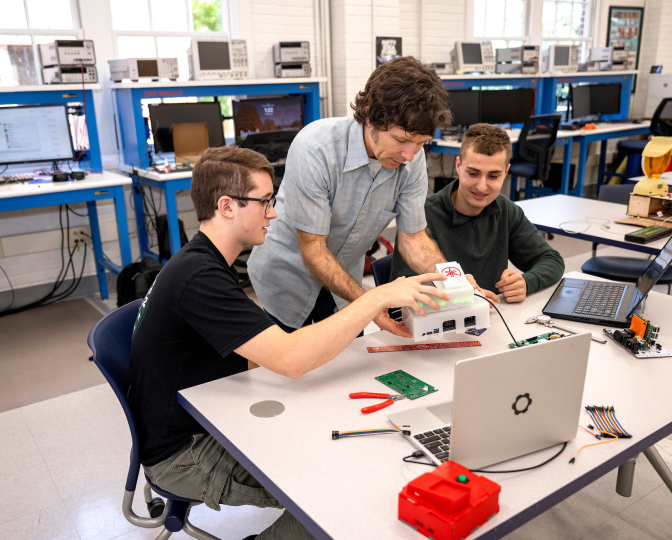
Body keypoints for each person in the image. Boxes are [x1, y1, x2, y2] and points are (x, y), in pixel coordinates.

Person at [129, 146, 448, 540]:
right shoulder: (200, 278)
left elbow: (267, 353)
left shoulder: (204, 262)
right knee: (337, 496)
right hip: (186, 455)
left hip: (205, 418)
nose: (274, 213)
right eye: (264, 202)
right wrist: (375, 298)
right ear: (227, 206)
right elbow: (290, 359)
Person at [247, 57, 464, 339]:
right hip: (287, 279)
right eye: (400, 140)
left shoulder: (411, 160)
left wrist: (456, 284)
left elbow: (415, 239)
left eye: (420, 143)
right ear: (370, 114)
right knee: (286, 371)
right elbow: (313, 249)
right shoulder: (315, 149)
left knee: (351, 368)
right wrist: (371, 302)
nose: (409, 155)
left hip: (344, 282)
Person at [390, 123, 565, 302]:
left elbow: (552, 260)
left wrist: (527, 282)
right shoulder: (421, 217)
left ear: (506, 172)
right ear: (458, 166)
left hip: (494, 319)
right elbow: (402, 295)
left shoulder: (506, 210)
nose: (482, 186)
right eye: (473, 174)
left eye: (493, 176)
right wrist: (464, 296)